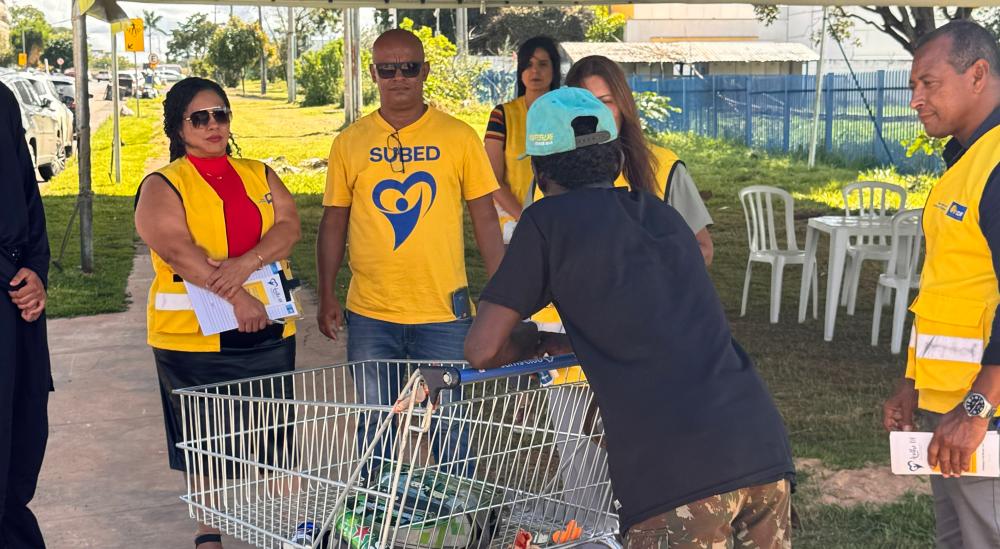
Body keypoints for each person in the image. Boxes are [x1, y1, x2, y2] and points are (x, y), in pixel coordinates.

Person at [465, 87, 794, 548]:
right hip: (758, 447)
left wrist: (537, 341)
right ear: (615, 160)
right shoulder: (661, 215)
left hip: (677, 476)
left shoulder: (545, 223)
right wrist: (579, 341)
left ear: (538, 171)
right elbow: (646, 317)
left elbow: (483, 349)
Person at [316, 28, 504, 477]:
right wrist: (326, 293)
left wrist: (502, 293)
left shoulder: (458, 137)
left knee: (451, 428)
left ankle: (466, 522)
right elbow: (334, 221)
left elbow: (484, 216)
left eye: (409, 68)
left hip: (443, 312)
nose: (399, 78)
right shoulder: (350, 141)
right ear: (373, 74)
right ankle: (370, 520)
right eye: (387, 69)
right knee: (377, 425)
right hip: (371, 314)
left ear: (425, 71)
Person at [134, 77, 301, 549]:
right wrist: (237, 297)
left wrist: (247, 264)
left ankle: (280, 524)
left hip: (267, 328)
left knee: (273, 435)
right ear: (179, 127)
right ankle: (208, 532)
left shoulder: (259, 172)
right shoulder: (163, 184)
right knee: (204, 444)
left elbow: (288, 228)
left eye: (220, 114)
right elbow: (178, 251)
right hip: (192, 339)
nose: (212, 125)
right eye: (199, 118)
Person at [881, 20, 1000, 548]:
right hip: (949, 411)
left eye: (928, 84)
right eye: (913, 86)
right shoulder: (966, 163)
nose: (915, 100)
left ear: (978, 74)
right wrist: (914, 383)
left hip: (981, 417)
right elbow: (946, 289)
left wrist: (978, 410)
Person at [565, 55, 713, 266]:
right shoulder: (549, 170)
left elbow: (704, 250)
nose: (596, 114)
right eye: (583, 104)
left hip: (641, 298)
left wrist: (644, 267)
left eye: (606, 102)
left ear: (623, 106)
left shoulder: (664, 166)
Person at [0, 79, 52, 548]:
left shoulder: (1, 99)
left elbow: (28, 195)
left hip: (18, 307)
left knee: (24, 438)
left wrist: (36, 270)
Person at [484, 36, 561, 241]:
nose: (535, 71)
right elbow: (492, 179)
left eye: (543, 64)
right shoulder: (503, 115)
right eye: (528, 65)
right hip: (514, 225)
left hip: (560, 223)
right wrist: (526, 219)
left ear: (554, 69)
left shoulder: (566, 115)